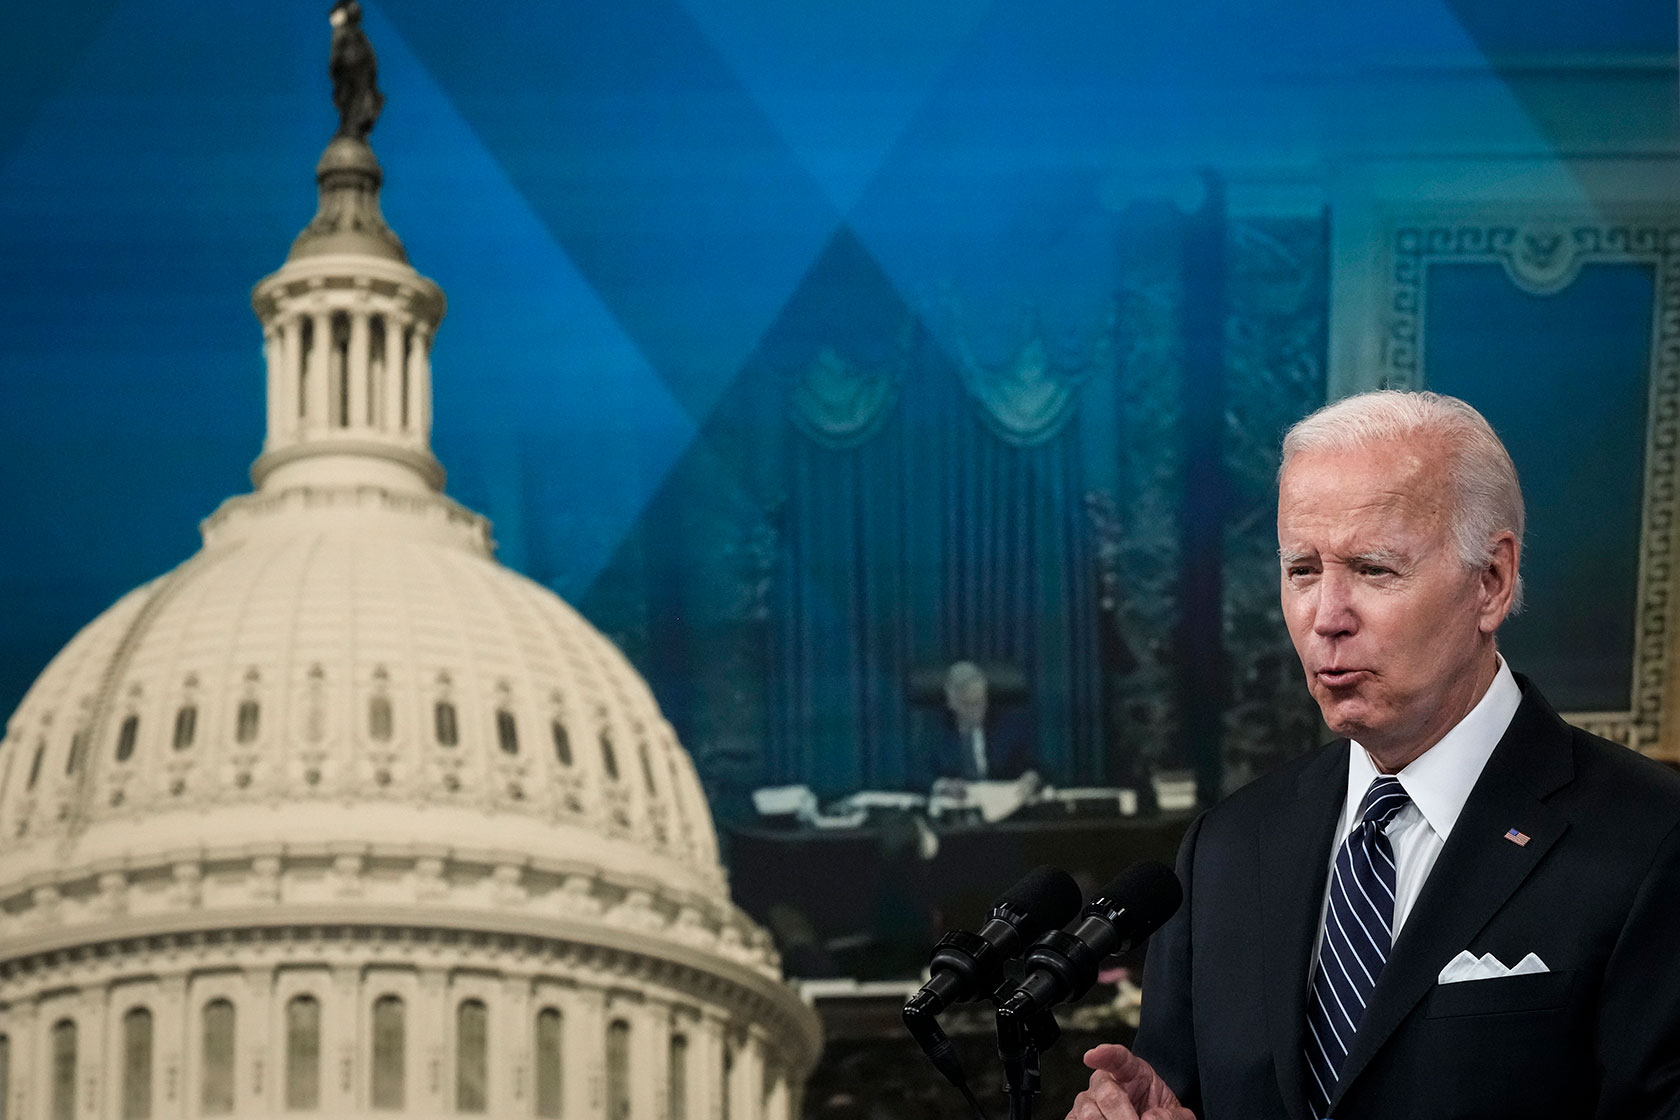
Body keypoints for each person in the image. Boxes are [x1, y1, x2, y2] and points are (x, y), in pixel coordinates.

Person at [1066, 390, 1680, 1120]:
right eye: (1302, 570)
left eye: (1374, 570)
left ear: (1492, 582)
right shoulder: (1226, 849)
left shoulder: (1652, 840)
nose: (1327, 617)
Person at [934, 660, 1035, 782]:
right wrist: (942, 786)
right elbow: (919, 779)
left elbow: (1031, 767)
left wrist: (1031, 777)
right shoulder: (933, 733)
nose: (978, 711)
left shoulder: (1008, 728)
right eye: (969, 704)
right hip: (954, 800)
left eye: (981, 702)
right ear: (951, 702)